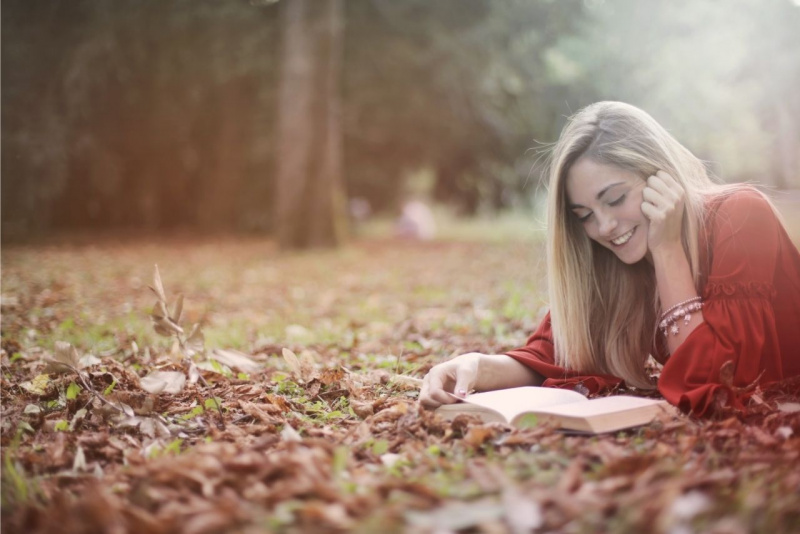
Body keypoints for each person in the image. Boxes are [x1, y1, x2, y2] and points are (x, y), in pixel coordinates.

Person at [419, 101, 800, 416]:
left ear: (660, 177)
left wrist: (667, 250)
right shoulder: (618, 263)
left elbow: (720, 388)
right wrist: (471, 366)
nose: (603, 228)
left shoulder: (741, 217)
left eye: (615, 199)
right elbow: (556, 353)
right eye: (584, 215)